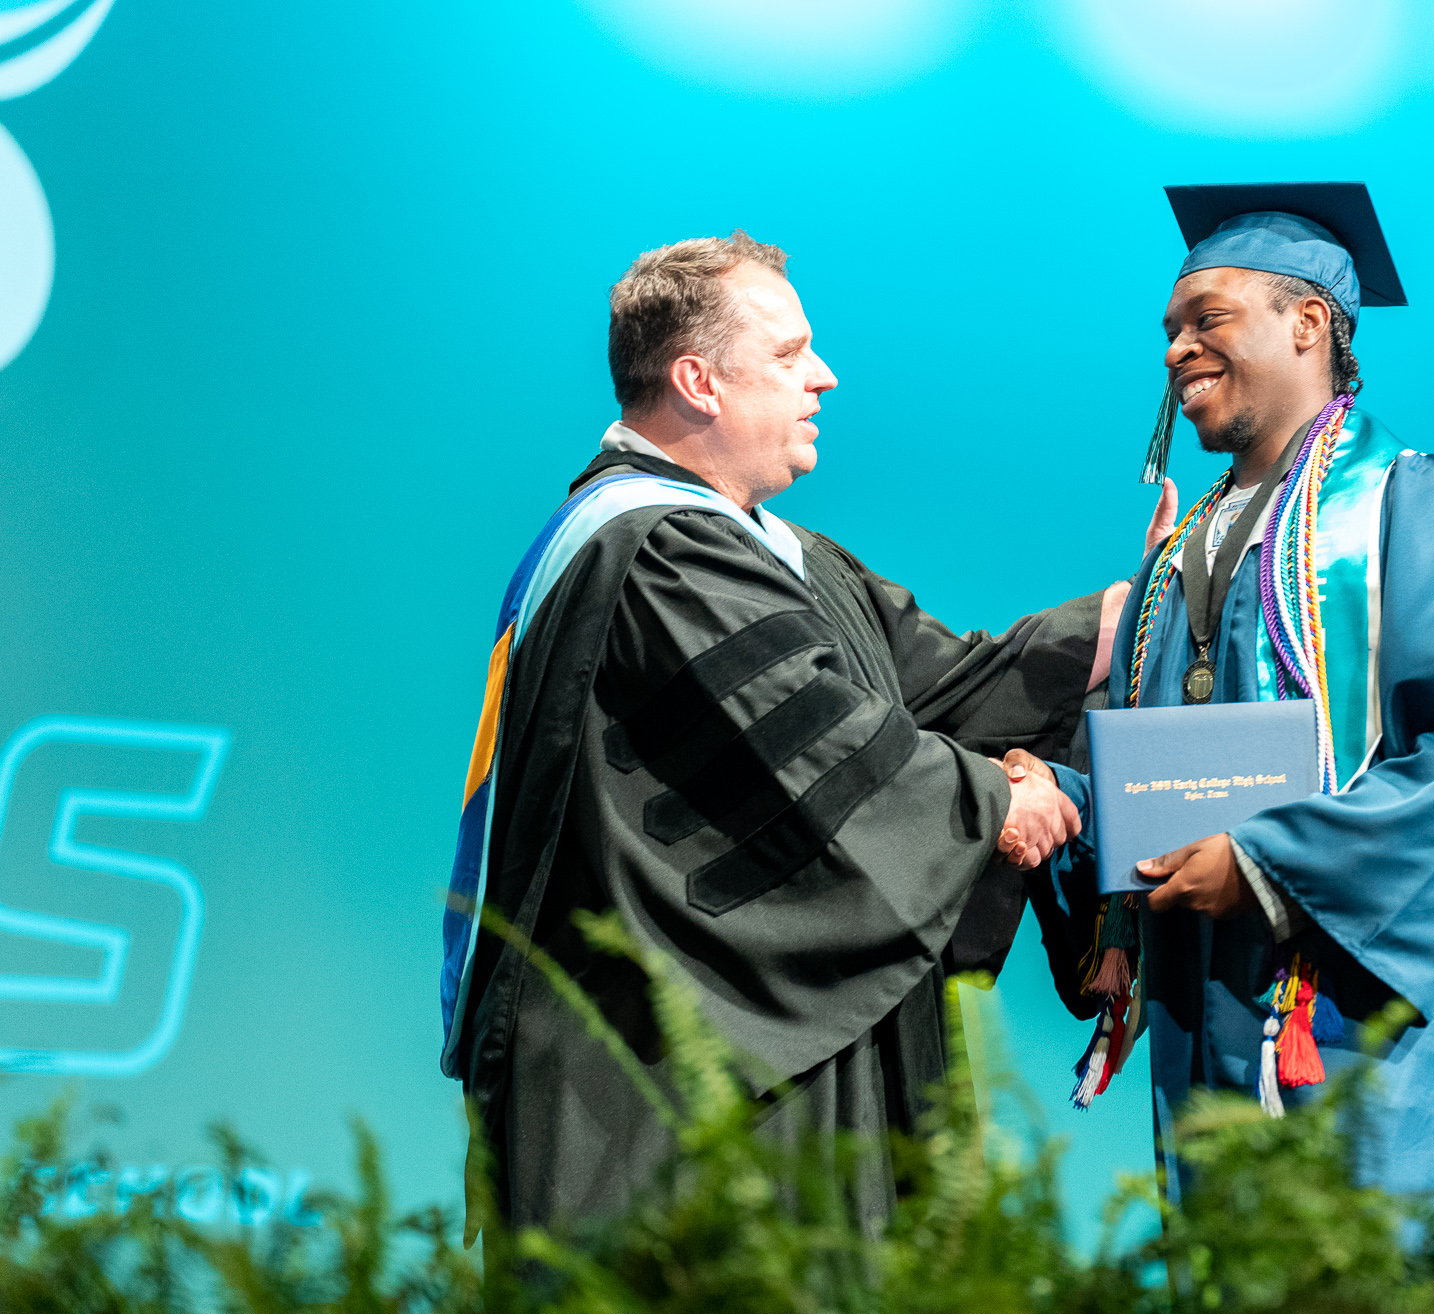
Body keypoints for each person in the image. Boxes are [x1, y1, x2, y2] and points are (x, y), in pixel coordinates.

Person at [439, 230, 1134, 1233]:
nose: (824, 377)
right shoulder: (652, 550)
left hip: (764, 1069)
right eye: (789, 354)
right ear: (697, 380)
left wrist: (1144, 610)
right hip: (665, 1078)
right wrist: (1000, 802)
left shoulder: (774, 552)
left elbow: (943, 691)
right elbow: (829, 755)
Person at [1031, 183, 1434, 1216]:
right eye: (1169, 329)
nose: (1175, 349)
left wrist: (1264, 862)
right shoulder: (1179, 554)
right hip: (1193, 1002)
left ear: (1308, 323)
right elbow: (1143, 776)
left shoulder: (1416, 505)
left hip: (1341, 1015)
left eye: (1205, 319)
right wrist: (1056, 802)